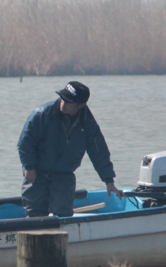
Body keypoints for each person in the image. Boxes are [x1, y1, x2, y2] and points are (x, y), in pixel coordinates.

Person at [17, 80, 123, 217]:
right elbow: (25, 142)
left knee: (63, 215)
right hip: (36, 174)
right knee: (35, 215)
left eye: (68, 101)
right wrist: (29, 166)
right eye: (62, 98)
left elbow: (99, 153)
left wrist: (109, 181)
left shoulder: (89, 124)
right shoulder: (42, 114)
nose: (63, 103)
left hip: (63, 176)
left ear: (81, 105)